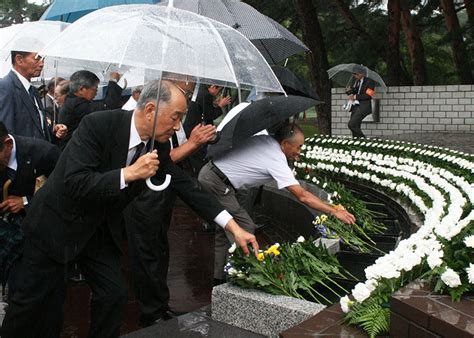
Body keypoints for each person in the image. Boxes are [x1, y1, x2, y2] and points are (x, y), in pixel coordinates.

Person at [0, 79, 258, 338]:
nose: (178, 125)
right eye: (175, 117)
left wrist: (232, 226)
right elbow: (75, 182)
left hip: (97, 230)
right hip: (55, 226)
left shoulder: (157, 145)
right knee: (35, 306)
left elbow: (186, 187)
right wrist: (129, 173)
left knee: (113, 294)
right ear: (150, 110)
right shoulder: (98, 125)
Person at [198, 120, 356, 284]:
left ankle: (221, 277)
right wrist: (334, 211)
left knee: (227, 228)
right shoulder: (275, 159)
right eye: (299, 146)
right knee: (245, 227)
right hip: (216, 181)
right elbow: (301, 195)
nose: (299, 151)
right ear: (286, 143)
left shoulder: (268, 142)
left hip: (215, 176)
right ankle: (246, 277)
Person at [124, 79, 217, 328]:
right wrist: (192, 144)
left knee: (160, 250)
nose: (177, 126)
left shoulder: (170, 117)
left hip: (165, 192)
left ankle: (160, 305)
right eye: (184, 87)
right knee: (147, 255)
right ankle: (151, 312)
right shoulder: (134, 122)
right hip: (145, 197)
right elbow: (160, 161)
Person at [0, 122, 60, 295]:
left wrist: (26, 201)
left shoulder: (44, 153)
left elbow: (64, 190)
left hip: (39, 233)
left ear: (8, 145)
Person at [0, 51, 67, 142]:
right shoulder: (5, 88)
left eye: (43, 59)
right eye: (37, 58)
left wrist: (53, 131)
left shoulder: (33, 90)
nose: (42, 64)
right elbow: (6, 134)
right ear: (19, 59)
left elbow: (35, 127)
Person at [346, 65, 375, 138]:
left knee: (351, 125)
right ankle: (356, 144)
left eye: (356, 74)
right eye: (353, 74)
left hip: (364, 107)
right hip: (355, 107)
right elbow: (353, 92)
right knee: (355, 126)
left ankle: (364, 140)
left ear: (362, 73)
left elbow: (369, 95)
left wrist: (355, 97)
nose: (354, 75)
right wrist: (349, 91)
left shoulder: (370, 82)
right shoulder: (356, 81)